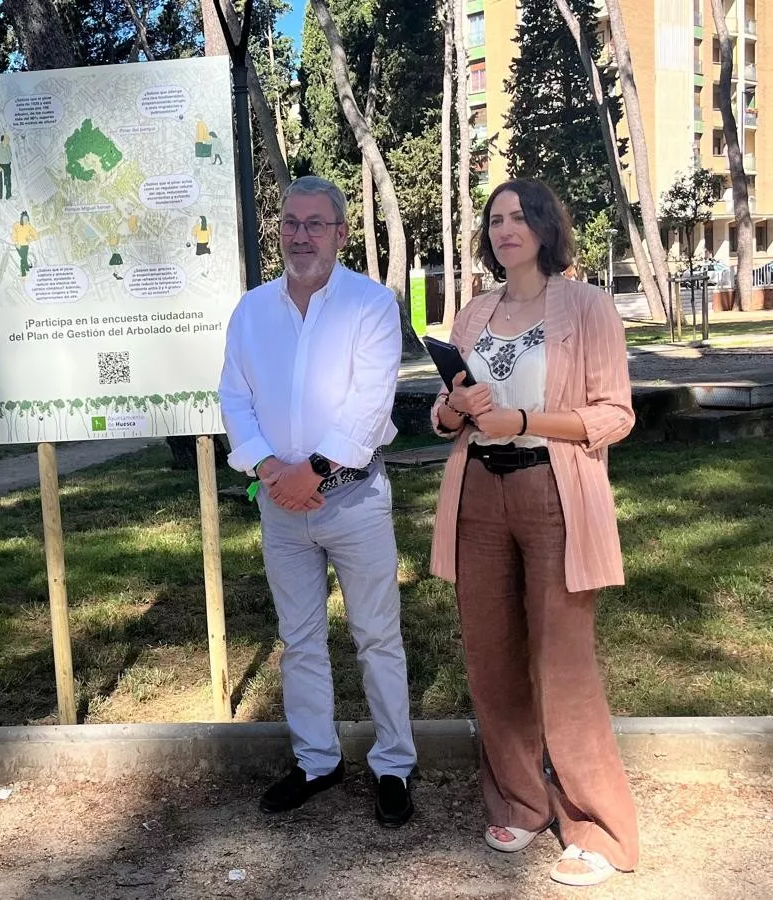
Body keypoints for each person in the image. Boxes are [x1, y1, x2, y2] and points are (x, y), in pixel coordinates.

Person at [429, 178, 638, 887]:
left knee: (563, 664)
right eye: (494, 219)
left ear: (547, 227)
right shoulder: (473, 312)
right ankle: (520, 800)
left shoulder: (586, 305)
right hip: (477, 493)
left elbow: (613, 414)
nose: (505, 228)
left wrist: (523, 422)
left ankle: (598, 830)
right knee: (490, 659)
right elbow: (442, 415)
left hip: (553, 491)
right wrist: (455, 409)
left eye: (519, 216)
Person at [219, 175, 416, 827]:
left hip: (353, 500)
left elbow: (369, 402)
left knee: (375, 637)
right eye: (289, 223)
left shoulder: (369, 304)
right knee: (299, 639)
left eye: (314, 224)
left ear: (340, 233)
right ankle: (316, 761)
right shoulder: (251, 311)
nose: (299, 235)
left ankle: (392, 764)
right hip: (279, 504)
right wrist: (273, 468)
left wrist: (315, 470)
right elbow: (235, 398)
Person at [12, 211, 39, 278]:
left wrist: (31, 239)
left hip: (26, 246)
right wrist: (16, 243)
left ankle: (25, 271)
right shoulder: (16, 225)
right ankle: (26, 270)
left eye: (27, 219)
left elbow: (36, 236)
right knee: (24, 258)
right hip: (18, 245)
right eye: (24, 219)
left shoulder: (29, 227)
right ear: (21, 219)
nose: (25, 220)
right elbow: (13, 234)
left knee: (23, 259)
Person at [0, 133, 13, 200]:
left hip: (7, 166)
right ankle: (0, 197)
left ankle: (8, 196)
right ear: (3, 140)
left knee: (8, 181)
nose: (9, 139)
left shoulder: (8, 146)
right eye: (7, 138)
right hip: (0, 167)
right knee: (1, 182)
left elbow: (10, 155)